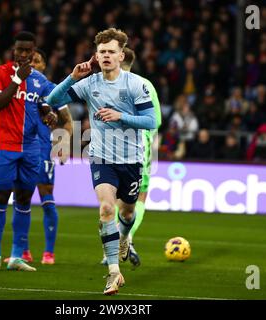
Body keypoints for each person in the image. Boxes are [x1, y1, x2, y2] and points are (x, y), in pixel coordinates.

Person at [47, 28, 156, 295]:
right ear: (97, 55)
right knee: (107, 208)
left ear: (121, 55)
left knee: (127, 212)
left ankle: (124, 237)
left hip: (131, 160)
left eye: (111, 52)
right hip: (101, 157)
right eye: (102, 52)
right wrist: (72, 77)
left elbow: (151, 121)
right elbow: (52, 100)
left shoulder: (136, 84)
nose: (106, 55)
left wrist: (121, 116)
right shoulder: (89, 82)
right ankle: (113, 273)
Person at [0, 35, 73, 265]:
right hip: (4, 146)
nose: (23, 55)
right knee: (1, 197)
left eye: (27, 51)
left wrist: (48, 114)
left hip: (32, 149)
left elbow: (46, 105)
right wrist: (17, 80)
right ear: (13, 49)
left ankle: (18, 257)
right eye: (19, 50)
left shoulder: (40, 80)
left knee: (24, 200)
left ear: (33, 53)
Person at [100, 47, 162, 268]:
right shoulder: (144, 84)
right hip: (138, 143)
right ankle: (127, 239)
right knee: (138, 196)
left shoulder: (103, 82)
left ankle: (112, 249)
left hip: (107, 143)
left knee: (112, 197)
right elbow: (155, 123)